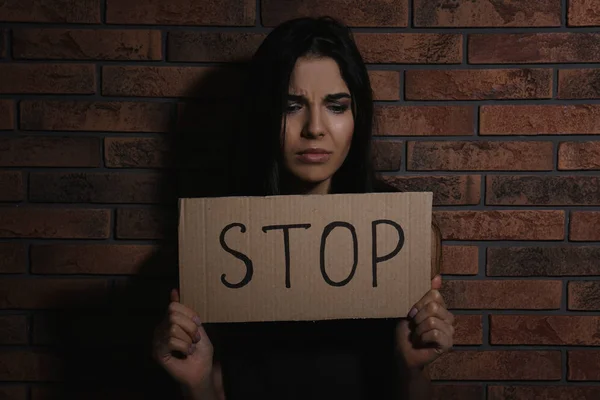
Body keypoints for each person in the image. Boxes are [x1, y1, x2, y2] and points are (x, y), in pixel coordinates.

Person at [152, 17, 454, 400]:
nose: (315, 127)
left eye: (336, 106)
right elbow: (213, 383)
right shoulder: (216, 239)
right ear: (264, 113)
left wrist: (412, 370)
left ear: (357, 117)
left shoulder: (398, 229)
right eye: (292, 105)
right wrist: (196, 383)